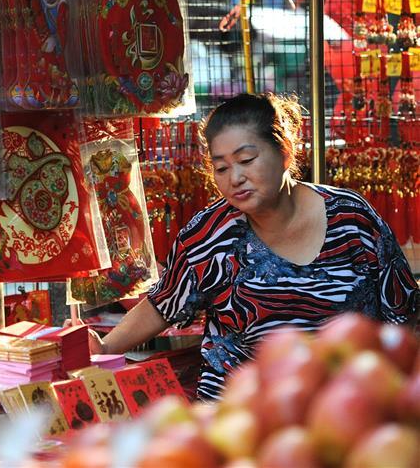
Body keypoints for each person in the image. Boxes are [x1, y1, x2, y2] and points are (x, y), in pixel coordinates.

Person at [86, 93, 419, 401]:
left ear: (285, 150)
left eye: (246, 159)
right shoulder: (207, 235)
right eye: (221, 168)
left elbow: (404, 314)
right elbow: (163, 303)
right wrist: (103, 347)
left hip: (345, 407)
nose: (235, 178)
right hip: (237, 414)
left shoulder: (351, 218)